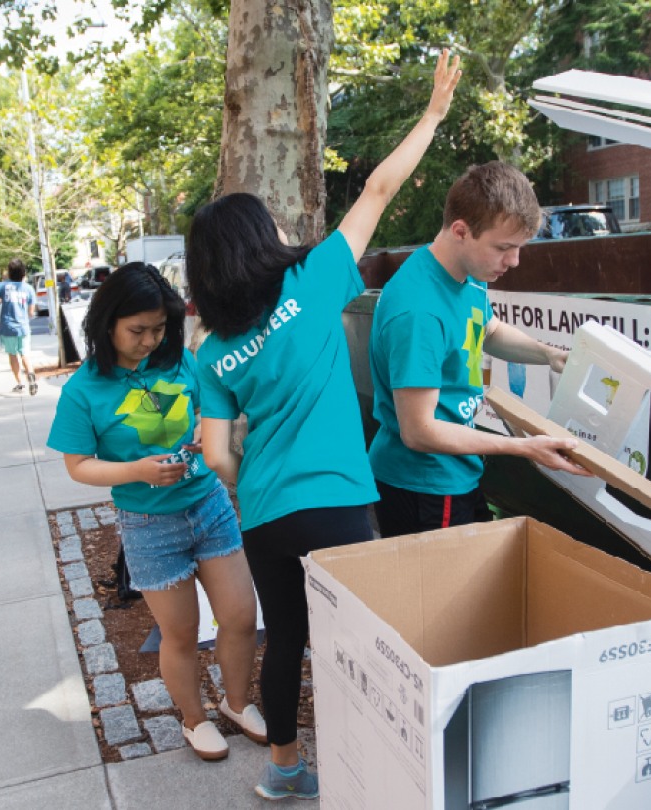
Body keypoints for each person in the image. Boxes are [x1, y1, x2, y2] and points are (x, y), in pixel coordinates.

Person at [187, 49, 462, 802]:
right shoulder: (312, 285)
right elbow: (379, 186)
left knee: (289, 643)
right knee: (366, 645)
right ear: (257, 240)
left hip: (266, 512)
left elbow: (216, 455)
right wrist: (433, 114)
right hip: (340, 501)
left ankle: (283, 773)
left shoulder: (212, 352)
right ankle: (376, 774)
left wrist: (260, 475)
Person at [47, 263, 265, 761]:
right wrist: (136, 471)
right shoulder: (83, 390)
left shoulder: (181, 362)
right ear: (107, 325)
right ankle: (194, 721)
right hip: (148, 526)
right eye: (137, 331)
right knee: (182, 633)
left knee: (239, 616)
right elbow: (78, 466)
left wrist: (205, 433)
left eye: (160, 328)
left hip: (209, 504)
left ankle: (236, 704)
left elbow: (213, 413)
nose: (150, 340)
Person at [367, 161, 589, 539]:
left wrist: (548, 354)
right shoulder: (419, 310)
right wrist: (524, 448)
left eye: (519, 247)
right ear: (461, 230)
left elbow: (487, 329)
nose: (514, 261)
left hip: (457, 471)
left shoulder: (468, 272)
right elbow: (418, 431)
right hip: (425, 486)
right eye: (504, 248)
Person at [0, 259, 39, 394]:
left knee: (12, 355)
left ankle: (20, 383)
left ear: (9, 272)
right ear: (23, 272)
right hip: (23, 327)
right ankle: (31, 376)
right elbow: (31, 311)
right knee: (25, 354)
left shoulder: (1, 286)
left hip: (7, 326)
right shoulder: (28, 288)